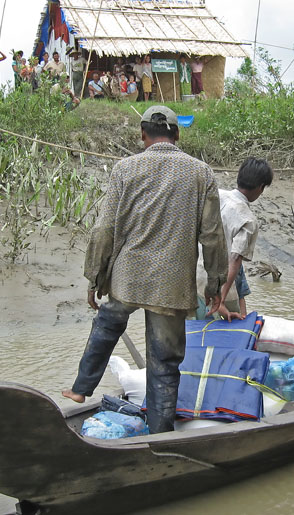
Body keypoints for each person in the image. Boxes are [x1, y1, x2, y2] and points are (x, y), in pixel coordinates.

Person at [62, 106, 228, 433]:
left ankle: (81, 388)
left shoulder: (125, 168)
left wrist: (96, 276)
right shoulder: (201, 173)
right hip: (171, 283)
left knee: (108, 322)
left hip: (127, 276)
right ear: (177, 134)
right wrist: (215, 284)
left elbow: (104, 229)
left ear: (142, 135)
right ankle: (161, 435)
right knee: (164, 365)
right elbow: (212, 235)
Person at [198, 157, 273, 317]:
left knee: (197, 332)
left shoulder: (215, 195)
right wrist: (221, 300)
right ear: (261, 187)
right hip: (220, 286)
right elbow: (235, 259)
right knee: (229, 334)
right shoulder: (248, 220)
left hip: (195, 278)